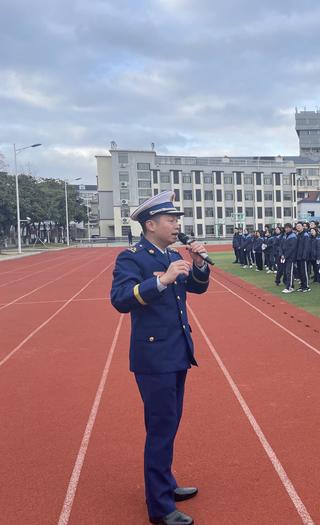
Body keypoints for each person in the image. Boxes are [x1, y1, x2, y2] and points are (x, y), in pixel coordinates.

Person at [110, 191, 209, 525]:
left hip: (177, 350)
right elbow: (121, 299)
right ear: (150, 224)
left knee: (169, 425)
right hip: (154, 357)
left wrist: (197, 265)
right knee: (160, 430)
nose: (177, 224)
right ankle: (160, 507)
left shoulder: (171, 252)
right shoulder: (133, 258)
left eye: (177, 219)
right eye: (171, 219)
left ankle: (164, 484)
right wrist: (162, 280)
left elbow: (196, 288)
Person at [280, 223, 298, 293]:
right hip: (284, 257)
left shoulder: (293, 236)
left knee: (289, 272)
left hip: (290, 257)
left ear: (291, 228)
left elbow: (292, 248)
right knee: (286, 272)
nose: (286, 229)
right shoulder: (284, 236)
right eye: (285, 228)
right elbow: (281, 246)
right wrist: (281, 254)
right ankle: (289, 286)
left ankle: (289, 287)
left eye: (288, 228)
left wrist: (285, 255)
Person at [294, 222, 311, 292]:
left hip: (303, 257)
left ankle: (306, 286)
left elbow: (306, 247)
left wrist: (304, 256)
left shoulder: (305, 235)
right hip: (298, 257)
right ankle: (302, 285)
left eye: (299, 226)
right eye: (297, 226)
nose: (298, 227)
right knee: (300, 272)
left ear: (302, 227)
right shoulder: (298, 235)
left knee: (304, 272)